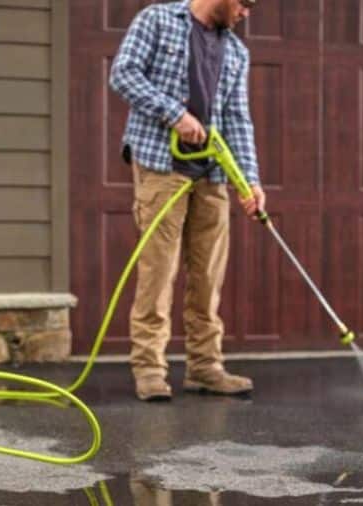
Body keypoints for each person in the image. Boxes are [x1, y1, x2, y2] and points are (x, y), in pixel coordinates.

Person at [109, 0, 265, 401]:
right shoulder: (158, 20)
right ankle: (149, 370)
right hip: (162, 167)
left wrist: (249, 181)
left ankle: (205, 367)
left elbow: (237, 119)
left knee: (208, 277)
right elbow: (123, 73)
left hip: (211, 174)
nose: (247, 13)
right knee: (158, 272)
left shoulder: (236, 51)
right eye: (245, 5)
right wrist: (175, 114)